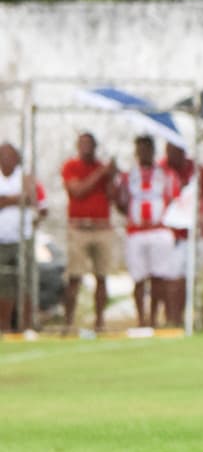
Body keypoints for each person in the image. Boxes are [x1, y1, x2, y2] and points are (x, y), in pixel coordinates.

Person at [117, 135, 182, 328]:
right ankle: (141, 318)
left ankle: (154, 317)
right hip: (136, 231)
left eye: (147, 148)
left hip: (159, 230)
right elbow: (121, 202)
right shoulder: (128, 176)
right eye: (141, 149)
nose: (144, 152)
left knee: (158, 277)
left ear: (153, 151)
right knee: (138, 277)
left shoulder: (166, 175)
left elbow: (175, 201)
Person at [60, 132, 122, 333]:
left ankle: (100, 322)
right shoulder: (71, 166)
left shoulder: (102, 169)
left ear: (95, 146)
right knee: (74, 276)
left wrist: (111, 177)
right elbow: (77, 191)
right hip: (79, 228)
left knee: (102, 276)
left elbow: (113, 197)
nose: (86, 147)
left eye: (89, 144)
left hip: (102, 228)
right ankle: (68, 322)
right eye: (83, 143)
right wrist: (101, 174)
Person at [0, 142, 43, 331]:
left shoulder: (24, 177)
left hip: (23, 239)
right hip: (2, 240)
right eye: (3, 155)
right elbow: (20, 199)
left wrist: (6, 200)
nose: (6, 159)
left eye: (10, 155)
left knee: (26, 282)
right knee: (4, 284)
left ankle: (27, 326)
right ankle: (4, 326)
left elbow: (32, 199)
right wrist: (16, 199)